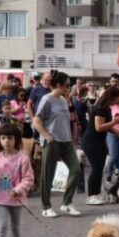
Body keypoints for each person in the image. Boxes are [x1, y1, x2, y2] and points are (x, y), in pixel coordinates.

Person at [32, 71, 82, 217]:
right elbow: (36, 121)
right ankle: (46, 207)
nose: (69, 87)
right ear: (59, 85)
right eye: (67, 85)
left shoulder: (63, 100)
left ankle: (66, 203)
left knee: (76, 170)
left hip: (66, 141)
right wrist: (47, 136)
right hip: (52, 142)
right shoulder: (46, 99)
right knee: (48, 175)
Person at [83, 87, 119, 205]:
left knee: (100, 168)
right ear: (114, 97)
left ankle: (96, 194)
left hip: (99, 141)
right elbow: (99, 127)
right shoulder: (100, 108)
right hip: (91, 141)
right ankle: (91, 196)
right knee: (95, 168)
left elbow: (108, 127)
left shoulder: (106, 108)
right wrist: (115, 122)